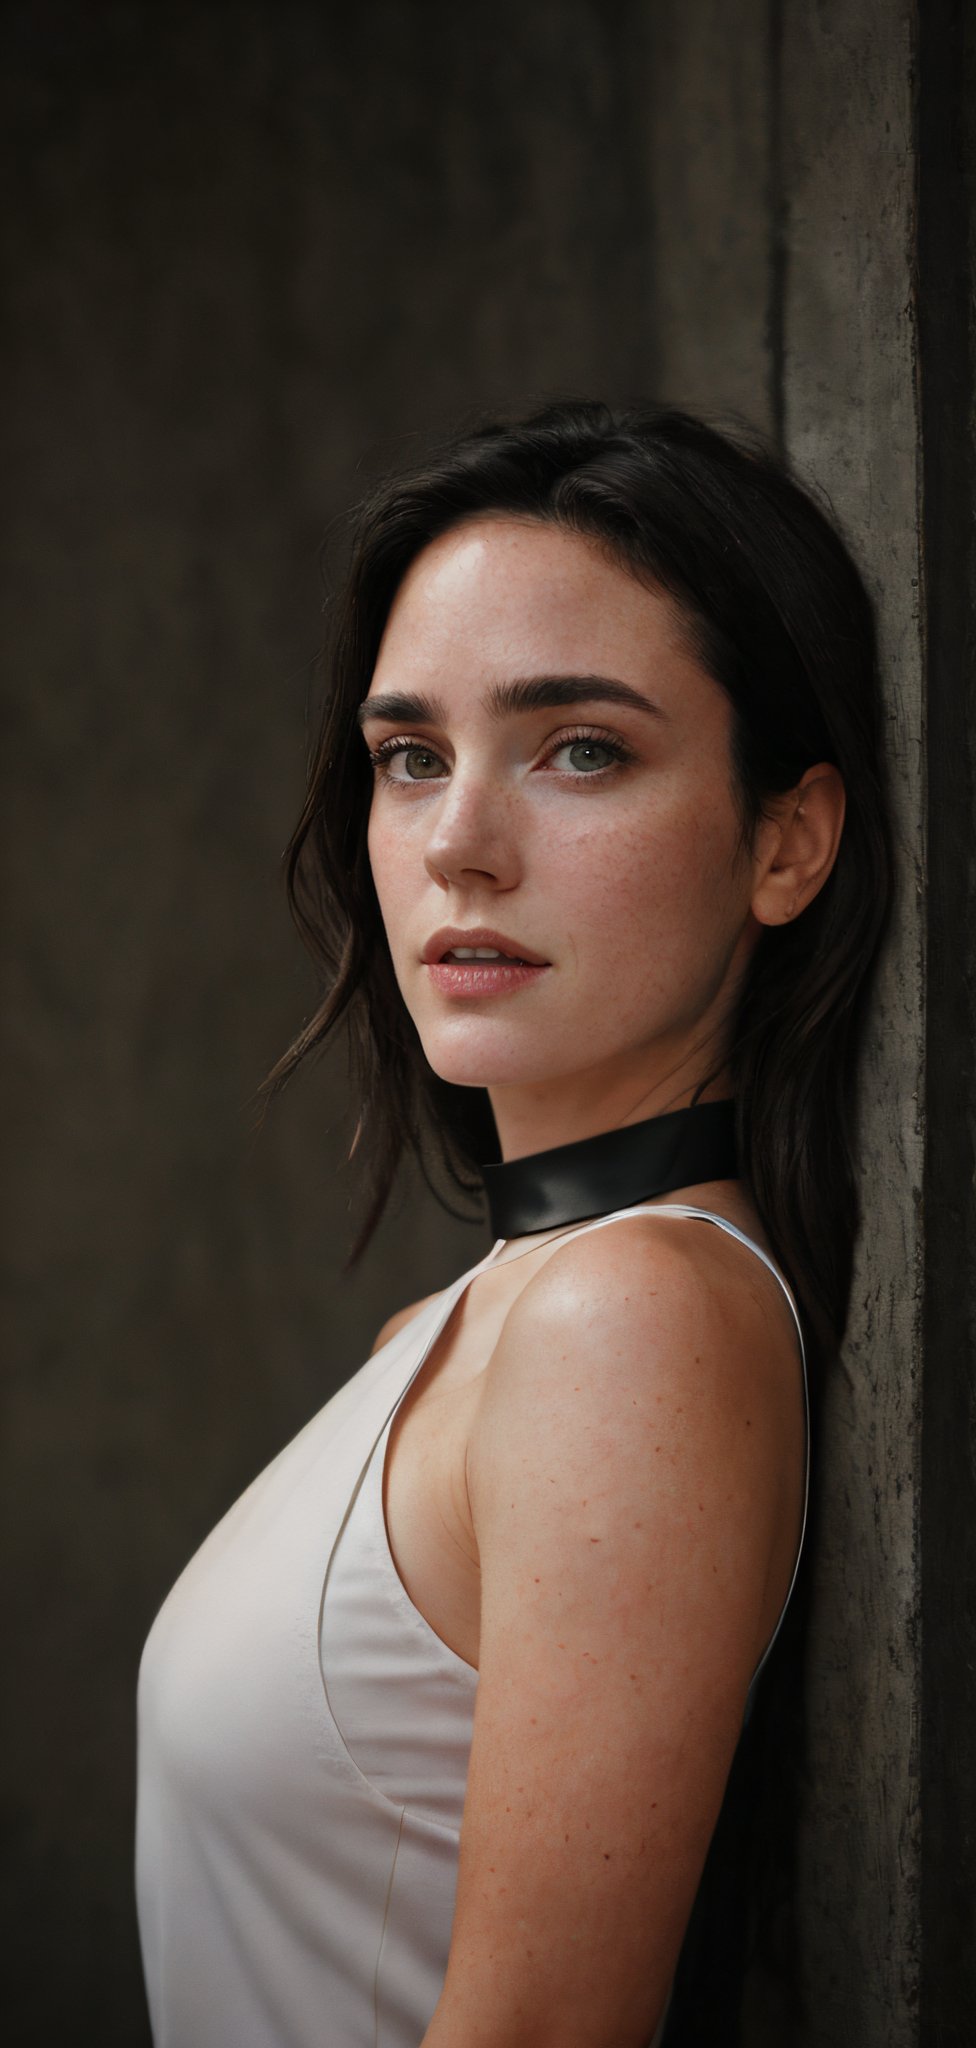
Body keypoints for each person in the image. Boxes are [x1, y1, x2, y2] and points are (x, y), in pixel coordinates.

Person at [135, 401, 894, 2047]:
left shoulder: (629, 1319)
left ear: (788, 840)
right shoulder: (495, 1314)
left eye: (580, 750)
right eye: (411, 756)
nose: (460, 846)